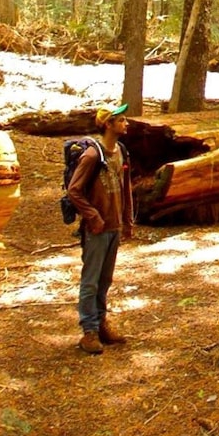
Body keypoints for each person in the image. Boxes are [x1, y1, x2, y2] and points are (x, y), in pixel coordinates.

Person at [67, 103, 134, 354]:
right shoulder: (93, 155)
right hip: (97, 229)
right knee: (91, 281)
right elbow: (74, 190)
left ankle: (101, 322)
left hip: (114, 225)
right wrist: (92, 216)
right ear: (108, 124)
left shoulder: (122, 151)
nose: (126, 124)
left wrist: (127, 220)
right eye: (121, 120)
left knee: (105, 279)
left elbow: (126, 186)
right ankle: (89, 331)